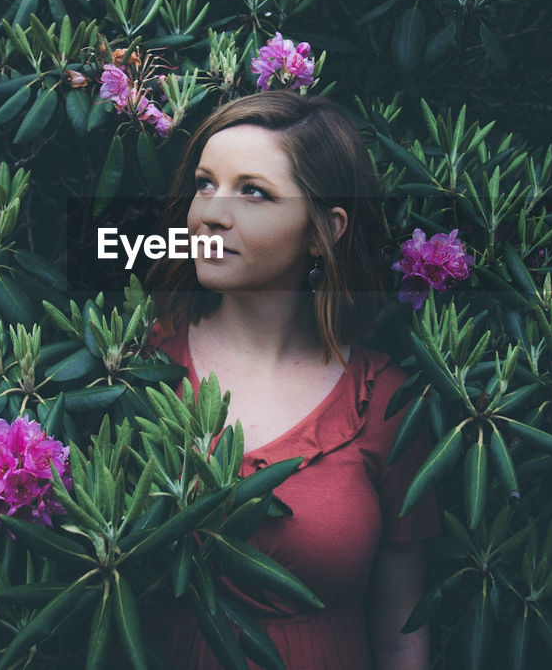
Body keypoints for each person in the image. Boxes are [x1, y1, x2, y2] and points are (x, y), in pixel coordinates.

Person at [141, 90, 440, 669]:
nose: (210, 213)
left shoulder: (385, 402)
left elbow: (403, 632)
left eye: (253, 192)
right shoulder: (138, 359)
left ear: (322, 230)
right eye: (205, 183)